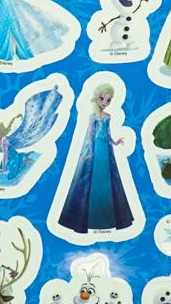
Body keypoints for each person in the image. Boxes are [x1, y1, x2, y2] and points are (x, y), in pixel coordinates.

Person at [56, 82, 135, 234]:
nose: (105, 102)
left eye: (108, 100)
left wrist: (115, 142)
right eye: (102, 99)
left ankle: (109, 216)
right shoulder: (93, 117)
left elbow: (107, 132)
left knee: (109, 180)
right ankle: (85, 218)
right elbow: (89, 135)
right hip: (96, 149)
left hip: (107, 150)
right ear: (97, 98)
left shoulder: (108, 116)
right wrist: (89, 152)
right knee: (89, 180)